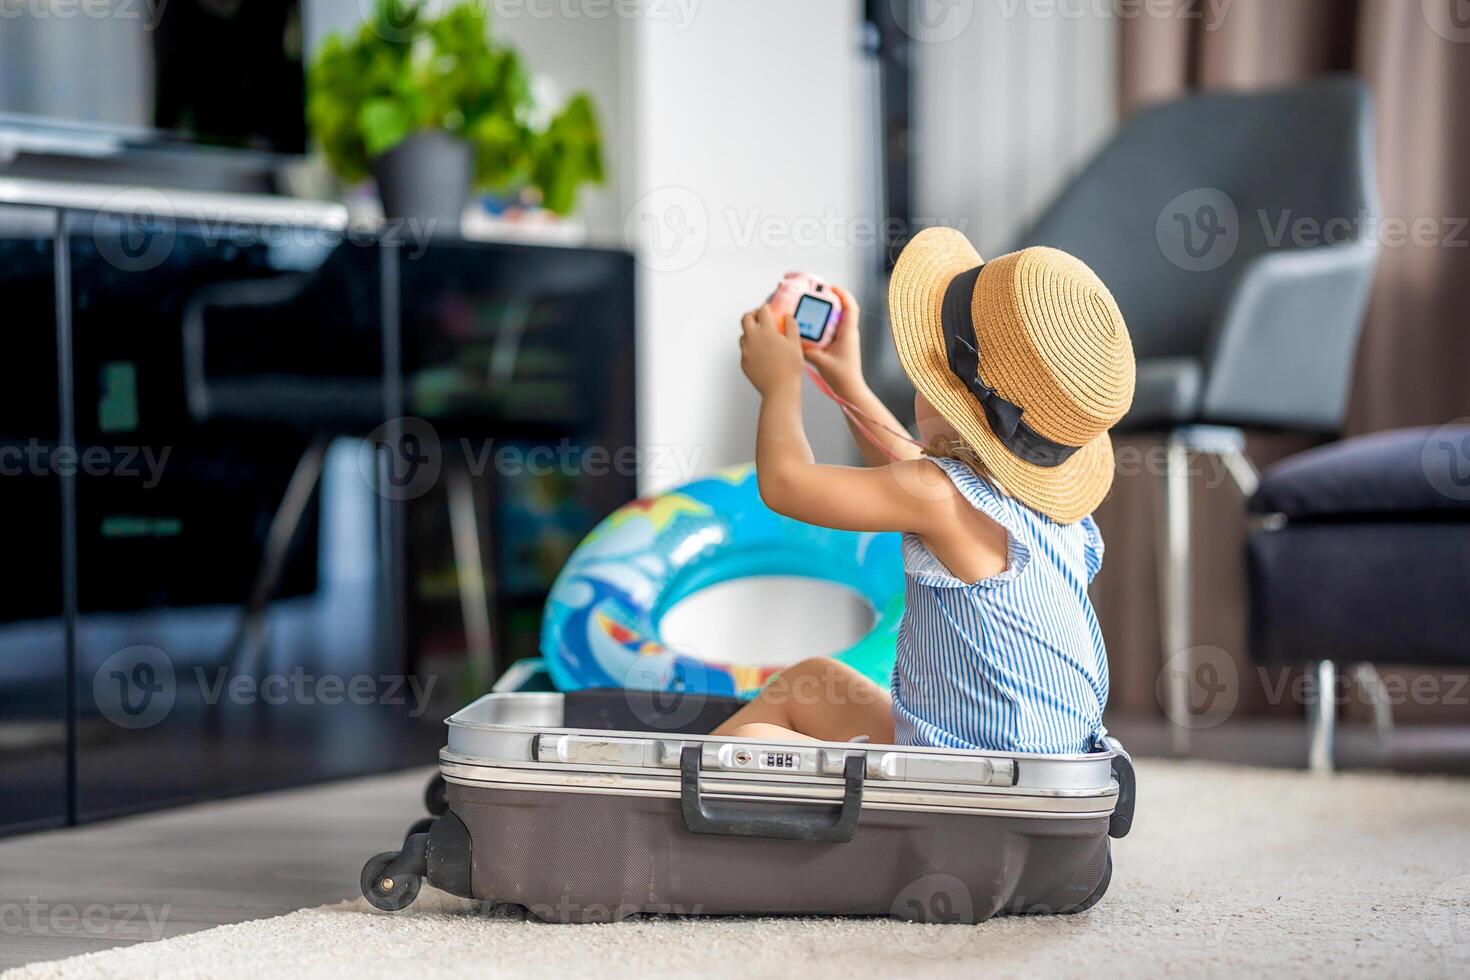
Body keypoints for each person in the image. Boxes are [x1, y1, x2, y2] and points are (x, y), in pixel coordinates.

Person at [712, 228, 1136, 754]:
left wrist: (780, 385)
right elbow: (914, 471)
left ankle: (660, 821)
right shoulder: (1040, 507)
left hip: (973, 798)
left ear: (949, 397)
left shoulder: (938, 494)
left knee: (746, 745)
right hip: (1028, 771)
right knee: (809, 683)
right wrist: (849, 382)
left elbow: (785, 485)